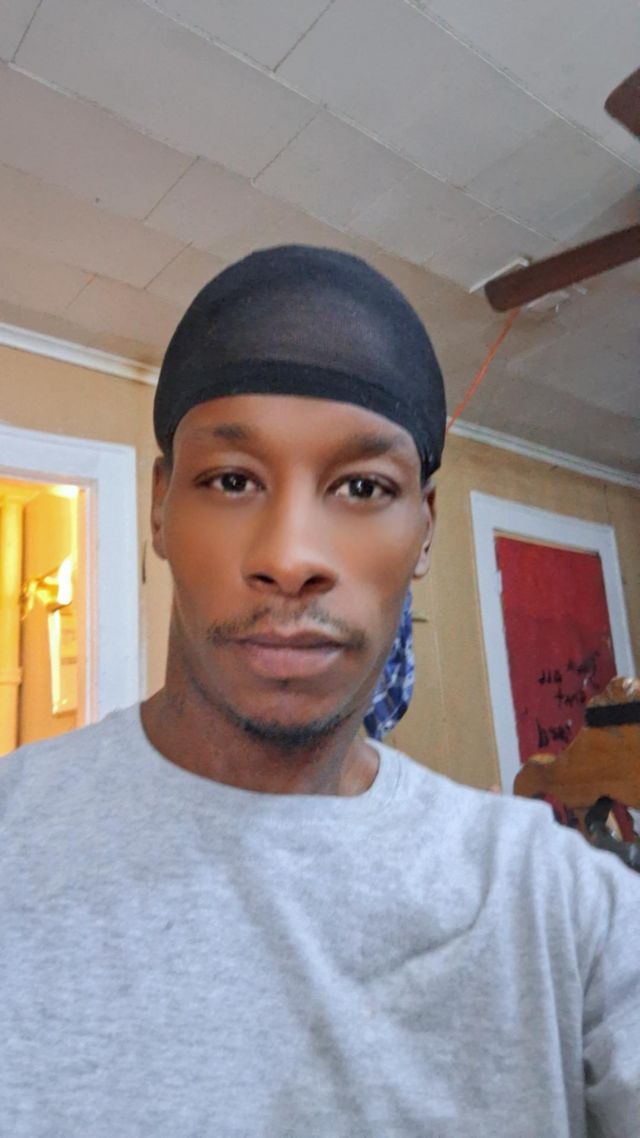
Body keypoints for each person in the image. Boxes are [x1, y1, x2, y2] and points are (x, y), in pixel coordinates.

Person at [1, 246, 638, 1138]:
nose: (291, 556)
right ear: (159, 508)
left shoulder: (560, 903)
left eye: (362, 487)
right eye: (232, 480)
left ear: (424, 530)